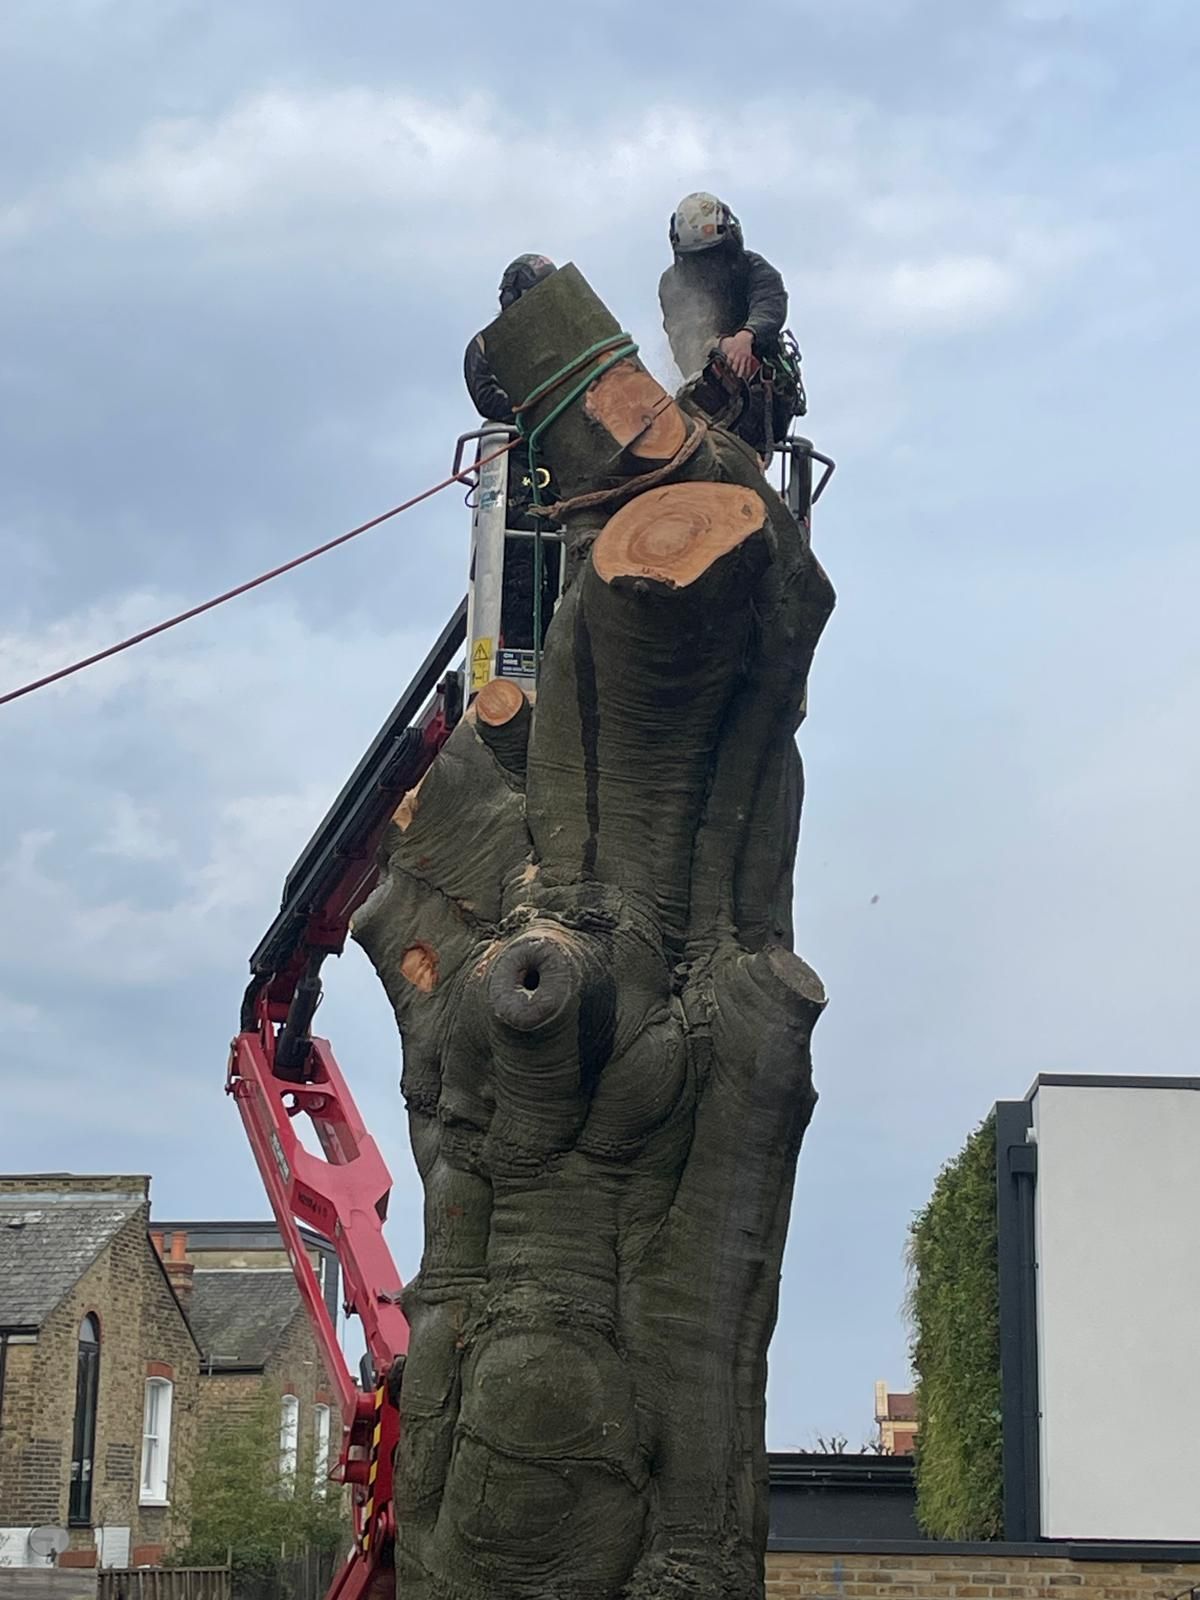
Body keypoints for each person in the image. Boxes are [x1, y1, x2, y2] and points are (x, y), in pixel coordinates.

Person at [658, 193, 801, 455]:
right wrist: (719, 346)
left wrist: (748, 335)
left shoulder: (755, 268)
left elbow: (770, 302)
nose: (708, 265)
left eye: (713, 255)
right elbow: (681, 334)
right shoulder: (672, 285)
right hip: (705, 392)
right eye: (698, 258)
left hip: (765, 393)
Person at [464, 254, 556, 423]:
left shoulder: (567, 331)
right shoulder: (486, 344)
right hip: (522, 438)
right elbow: (487, 400)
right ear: (511, 297)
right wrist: (540, 410)